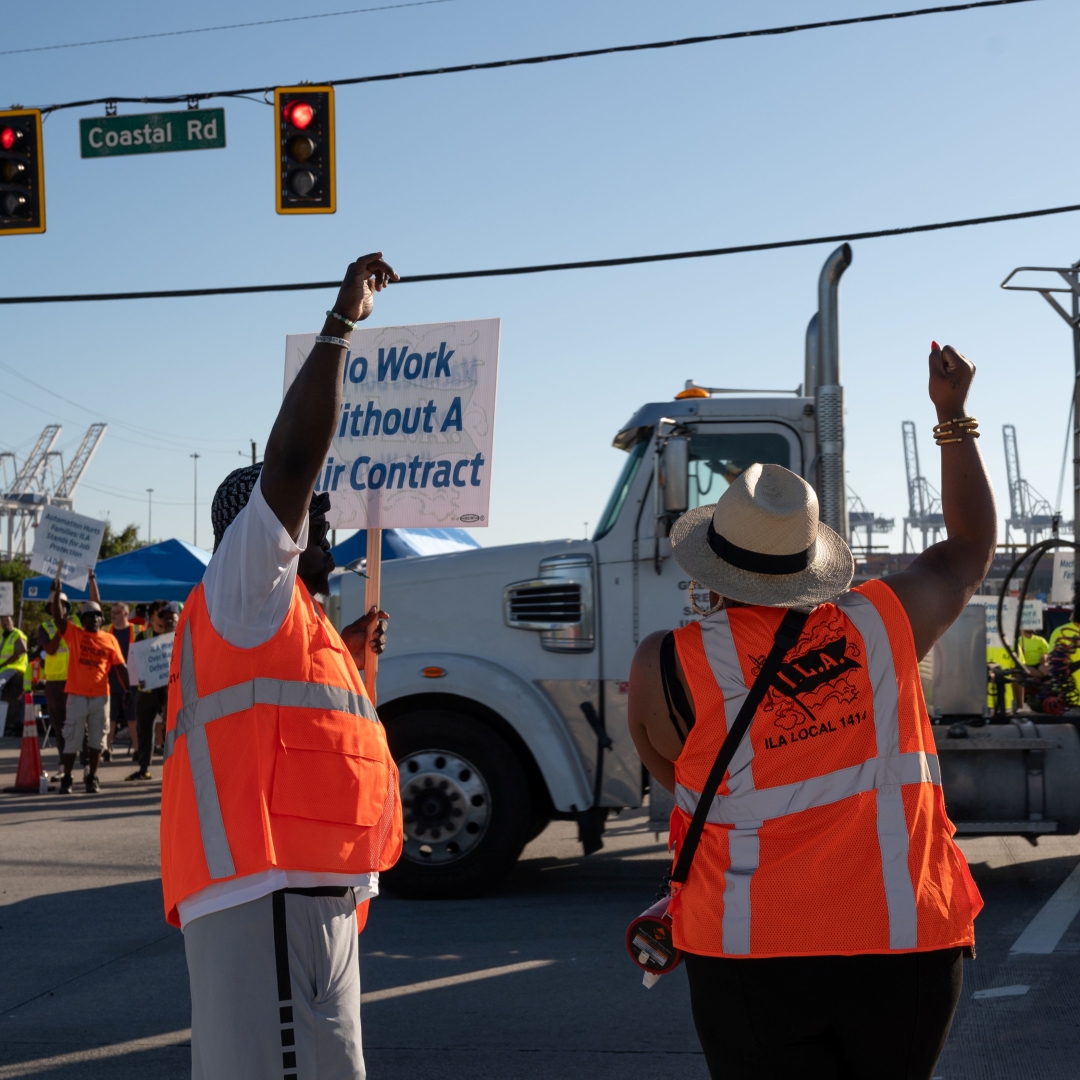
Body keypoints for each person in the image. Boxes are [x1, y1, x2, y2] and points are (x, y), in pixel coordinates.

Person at [629, 344, 995, 1080]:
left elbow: (678, 775)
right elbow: (969, 549)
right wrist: (952, 418)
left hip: (747, 954)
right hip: (905, 942)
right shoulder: (884, 623)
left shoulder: (667, 661)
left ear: (713, 564)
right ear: (808, 561)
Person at [161, 253, 403, 1080]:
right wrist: (340, 327)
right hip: (261, 887)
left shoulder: (292, 619)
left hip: (300, 893)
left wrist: (359, 663)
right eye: (310, 515)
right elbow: (293, 465)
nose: (320, 525)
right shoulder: (245, 583)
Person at [45, 570, 131, 794]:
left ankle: (92, 777)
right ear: (82, 621)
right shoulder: (74, 634)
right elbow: (58, 618)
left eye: (97, 616)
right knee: (72, 737)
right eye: (89, 616)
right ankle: (67, 778)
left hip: (101, 697)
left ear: (102, 620)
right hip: (76, 696)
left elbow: (121, 667)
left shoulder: (109, 638)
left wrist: (127, 690)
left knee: (97, 740)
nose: (94, 619)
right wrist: (57, 593)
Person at [126, 600, 179, 782]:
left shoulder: (180, 636)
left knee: (172, 728)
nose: (164, 617)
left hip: (171, 688)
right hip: (147, 689)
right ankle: (143, 768)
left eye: (167, 614)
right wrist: (136, 681)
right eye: (160, 613)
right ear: (154, 615)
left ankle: (176, 768)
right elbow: (133, 664)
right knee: (144, 729)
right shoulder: (143, 637)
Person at [38, 591, 81, 767]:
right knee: (59, 725)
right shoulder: (44, 627)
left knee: (79, 722)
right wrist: (62, 631)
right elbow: (50, 649)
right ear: (50, 608)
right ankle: (64, 762)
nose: (58, 608)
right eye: (55, 605)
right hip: (55, 683)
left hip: (76, 679)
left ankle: (85, 763)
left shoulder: (78, 622)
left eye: (62, 604)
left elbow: (95, 603)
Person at [105, 601, 137, 759]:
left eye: (116, 612)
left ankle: (138, 751)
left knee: (132, 718)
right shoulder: (106, 631)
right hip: (110, 682)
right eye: (112, 612)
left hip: (132, 683)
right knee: (109, 719)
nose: (112, 615)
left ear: (126, 614)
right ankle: (106, 750)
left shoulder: (137, 630)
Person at [0, 613, 28, 736]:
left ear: (13, 622)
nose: (5, 623)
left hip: (14, 668)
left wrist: (3, 663)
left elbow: (22, 650)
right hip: (4, 668)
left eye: (8, 621)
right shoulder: (2, 636)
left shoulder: (17, 634)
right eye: (3, 621)